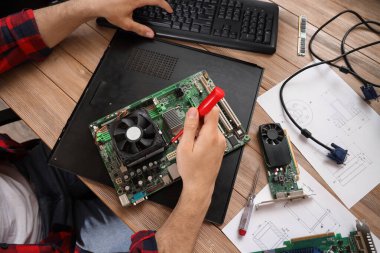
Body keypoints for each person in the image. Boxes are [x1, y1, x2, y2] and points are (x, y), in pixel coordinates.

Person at [0, 0, 227, 252]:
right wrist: (199, 192)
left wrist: (87, 5)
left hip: (28, 167)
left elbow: (7, 38)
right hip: (58, 236)